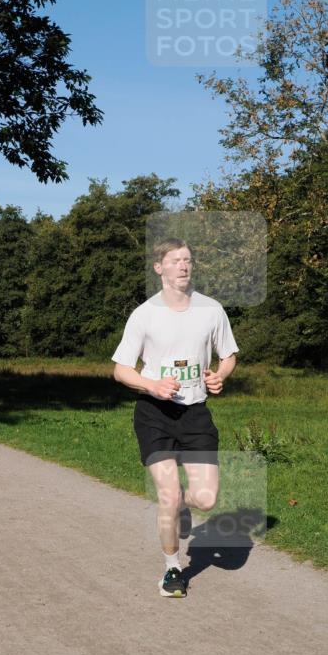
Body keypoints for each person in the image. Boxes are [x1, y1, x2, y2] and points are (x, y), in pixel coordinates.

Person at [112, 238, 239, 598]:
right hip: (155, 415)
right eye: (175, 260)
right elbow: (121, 370)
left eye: (187, 259)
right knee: (168, 495)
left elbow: (228, 355)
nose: (183, 266)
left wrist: (220, 374)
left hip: (196, 414)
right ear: (159, 268)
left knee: (207, 499)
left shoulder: (211, 310)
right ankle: (172, 571)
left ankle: (182, 506)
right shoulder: (144, 314)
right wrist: (151, 385)